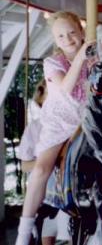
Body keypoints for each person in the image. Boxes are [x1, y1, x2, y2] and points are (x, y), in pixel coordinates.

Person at [15, 11, 94, 245]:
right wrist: (81, 56)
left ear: (81, 31)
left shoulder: (93, 59)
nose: (68, 38)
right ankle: (24, 231)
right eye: (60, 36)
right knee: (41, 169)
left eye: (72, 32)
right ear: (55, 40)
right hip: (60, 122)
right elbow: (66, 89)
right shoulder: (52, 63)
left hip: (86, 121)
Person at [18, 80, 71, 245]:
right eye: (49, 95)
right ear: (42, 99)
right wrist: (47, 161)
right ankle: (25, 231)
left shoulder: (70, 126)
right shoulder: (34, 128)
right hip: (45, 199)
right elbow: (25, 165)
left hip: (68, 196)